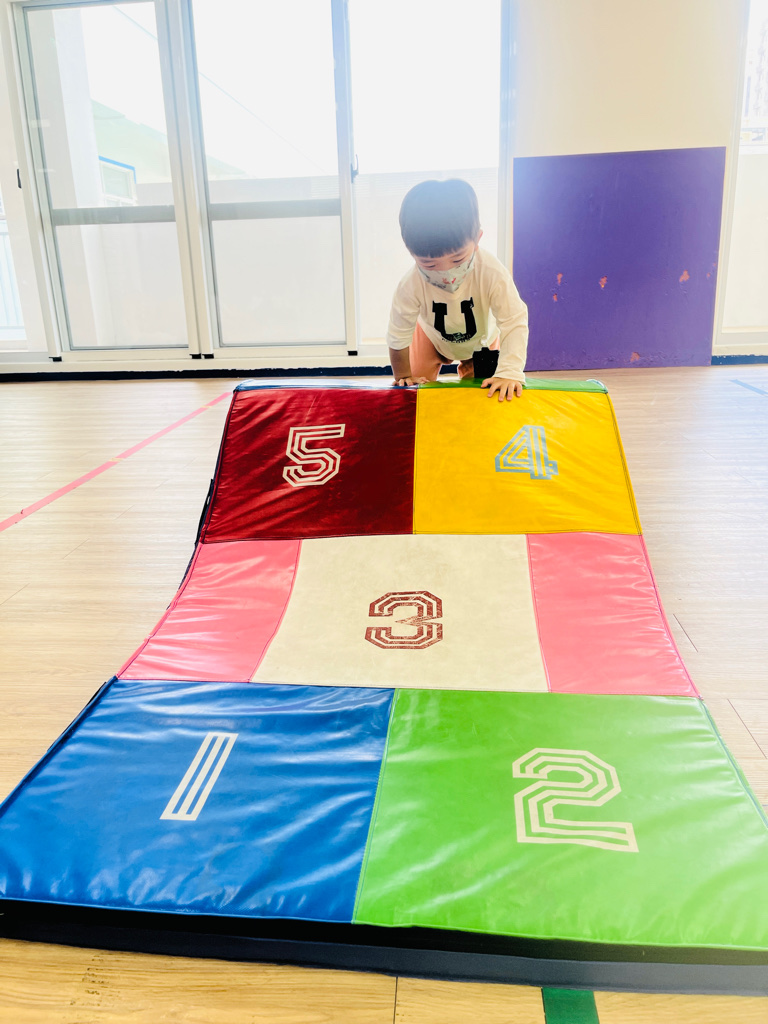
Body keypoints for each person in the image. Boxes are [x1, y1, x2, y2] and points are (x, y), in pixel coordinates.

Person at [386, 178, 528, 401]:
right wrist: (403, 375)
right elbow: (398, 333)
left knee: (486, 393)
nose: (446, 273)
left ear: (477, 239)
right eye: (429, 264)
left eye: (458, 259)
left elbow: (514, 320)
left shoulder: (491, 271)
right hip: (431, 338)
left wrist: (509, 372)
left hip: (481, 341)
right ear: (411, 252)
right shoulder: (410, 284)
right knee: (415, 391)